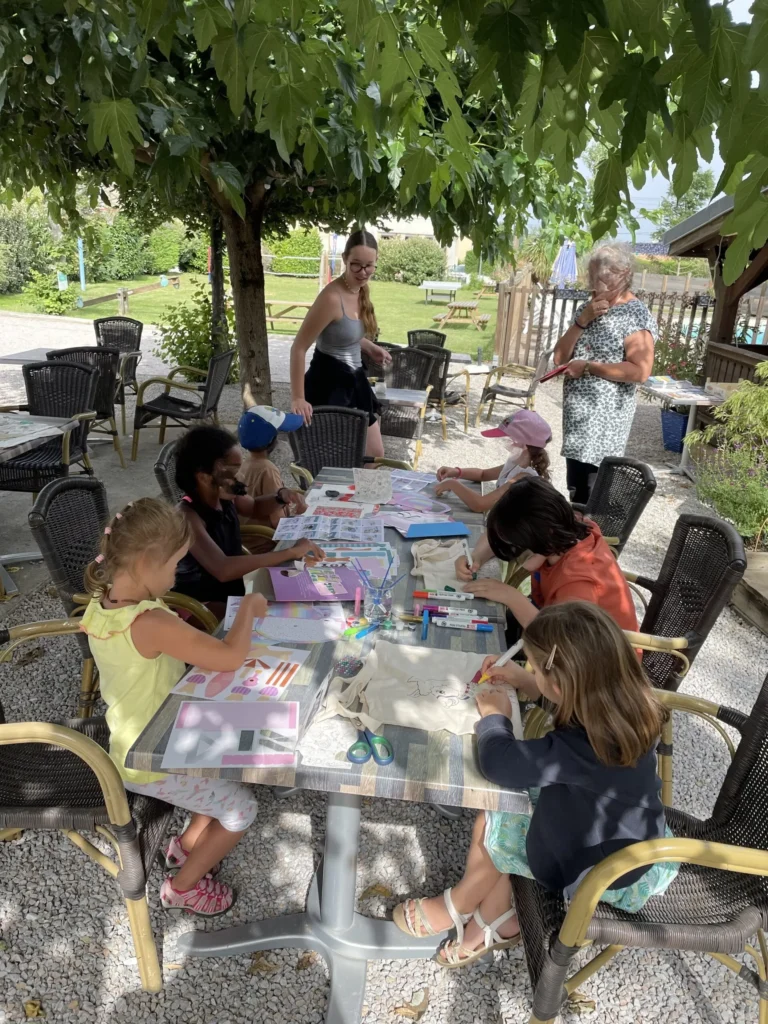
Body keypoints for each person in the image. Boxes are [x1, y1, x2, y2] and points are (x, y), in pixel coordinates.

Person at [392, 602, 677, 966]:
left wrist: (495, 719)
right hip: (633, 838)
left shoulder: (581, 748)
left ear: (558, 683)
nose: (529, 671)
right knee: (512, 813)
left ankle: (460, 904)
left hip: (599, 869)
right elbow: (572, 707)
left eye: (533, 667)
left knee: (495, 816)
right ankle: (498, 920)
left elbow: (501, 764)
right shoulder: (624, 706)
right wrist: (525, 681)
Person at [81, 498, 268, 917]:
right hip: (155, 755)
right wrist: (251, 608)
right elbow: (229, 657)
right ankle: (183, 888)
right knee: (242, 807)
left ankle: (184, 847)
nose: (177, 575)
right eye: (174, 565)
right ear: (147, 562)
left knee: (223, 774)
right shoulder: (148, 620)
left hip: (139, 738)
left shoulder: (103, 604)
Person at [459, 476, 637, 666]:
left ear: (542, 535)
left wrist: (511, 596)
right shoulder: (569, 530)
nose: (518, 551)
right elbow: (498, 535)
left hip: (597, 667)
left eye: (520, 544)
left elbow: (559, 647)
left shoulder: (578, 582)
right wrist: (476, 557)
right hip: (554, 624)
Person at [173, 425, 322, 617]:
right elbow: (223, 568)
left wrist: (280, 496)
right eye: (233, 472)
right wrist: (290, 552)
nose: (239, 477)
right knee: (275, 617)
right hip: (200, 605)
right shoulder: (187, 516)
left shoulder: (225, 494)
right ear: (204, 477)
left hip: (233, 588)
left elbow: (254, 507)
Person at [554, 245, 657, 503]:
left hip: (604, 428)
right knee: (576, 494)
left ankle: (593, 543)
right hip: (578, 424)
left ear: (624, 273)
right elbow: (558, 358)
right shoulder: (588, 308)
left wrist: (589, 366)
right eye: (590, 277)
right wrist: (582, 320)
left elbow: (640, 371)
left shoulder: (634, 314)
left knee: (595, 499)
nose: (594, 284)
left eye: (600, 277)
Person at [289, 229, 393, 458]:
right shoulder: (331, 298)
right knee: (334, 459)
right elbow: (298, 347)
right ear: (345, 258)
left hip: (355, 382)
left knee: (373, 456)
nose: (363, 272)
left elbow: (343, 333)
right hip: (328, 386)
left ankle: (355, 495)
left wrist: (368, 346)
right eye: (356, 264)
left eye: (369, 266)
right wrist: (298, 397)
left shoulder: (360, 290)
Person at [433, 409, 552, 514]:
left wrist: (452, 484)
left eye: (508, 438)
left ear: (524, 444)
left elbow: (480, 505)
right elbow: (483, 474)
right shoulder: (517, 462)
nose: (505, 442)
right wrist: (456, 472)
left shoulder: (524, 477)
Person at [237, 405, 304, 537]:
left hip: (248, 543)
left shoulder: (244, 464)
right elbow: (277, 522)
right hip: (266, 545)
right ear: (272, 439)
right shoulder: (268, 469)